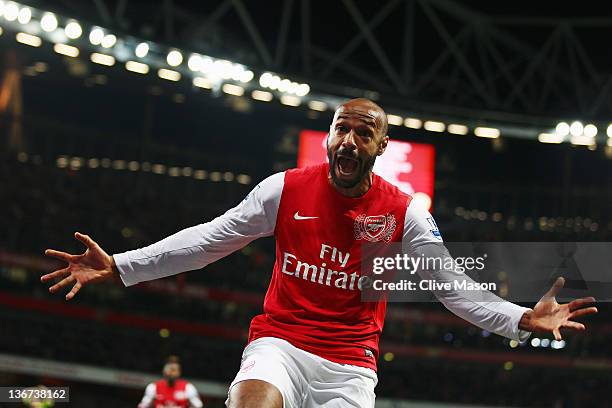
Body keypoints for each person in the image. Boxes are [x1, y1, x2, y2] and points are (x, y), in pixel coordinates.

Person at [42, 98, 598, 408]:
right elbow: (210, 239)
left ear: (381, 148)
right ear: (330, 136)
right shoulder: (284, 189)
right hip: (280, 342)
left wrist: (520, 318)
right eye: (341, 129)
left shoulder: (404, 213)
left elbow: (450, 285)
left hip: (350, 366)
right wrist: (122, 264)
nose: (349, 140)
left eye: (364, 133)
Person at [138, 356, 203, 408]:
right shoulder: (153, 387)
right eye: (170, 369)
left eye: (175, 370)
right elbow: (144, 405)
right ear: (164, 371)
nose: (172, 373)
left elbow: (198, 406)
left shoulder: (188, 387)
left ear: (179, 373)